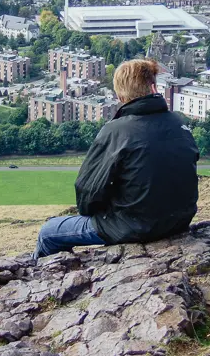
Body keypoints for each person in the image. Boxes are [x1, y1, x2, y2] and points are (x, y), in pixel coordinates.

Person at [33, 58, 199, 259]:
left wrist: (102, 213)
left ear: (120, 96)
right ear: (154, 87)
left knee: (49, 232)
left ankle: (47, 279)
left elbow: (88, 191)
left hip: (135, 227)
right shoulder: (179, 123)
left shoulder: (116, 131)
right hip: (179, 222)